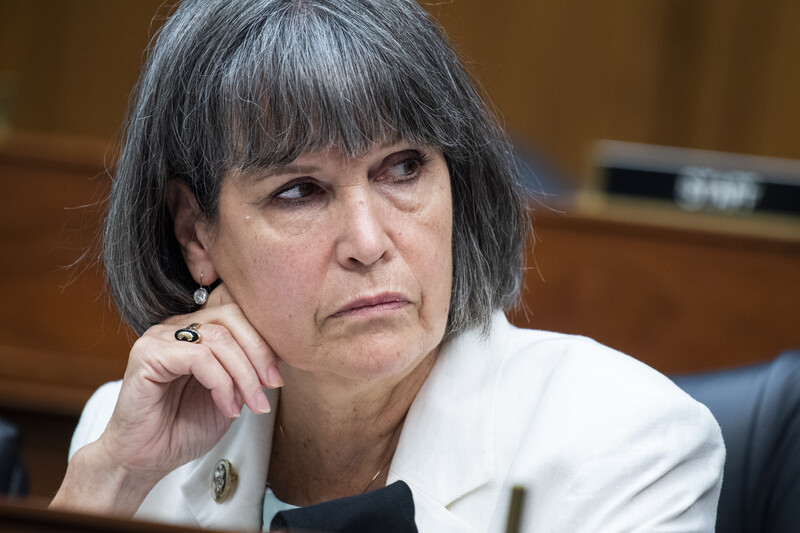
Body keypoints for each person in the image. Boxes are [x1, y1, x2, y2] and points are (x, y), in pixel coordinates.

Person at [51, 0, 725, 531]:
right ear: (196, 233)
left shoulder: (626, 439)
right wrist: (113, 474)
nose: (369, 242)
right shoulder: (129, 434)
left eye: (402, 168)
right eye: (299, 191)